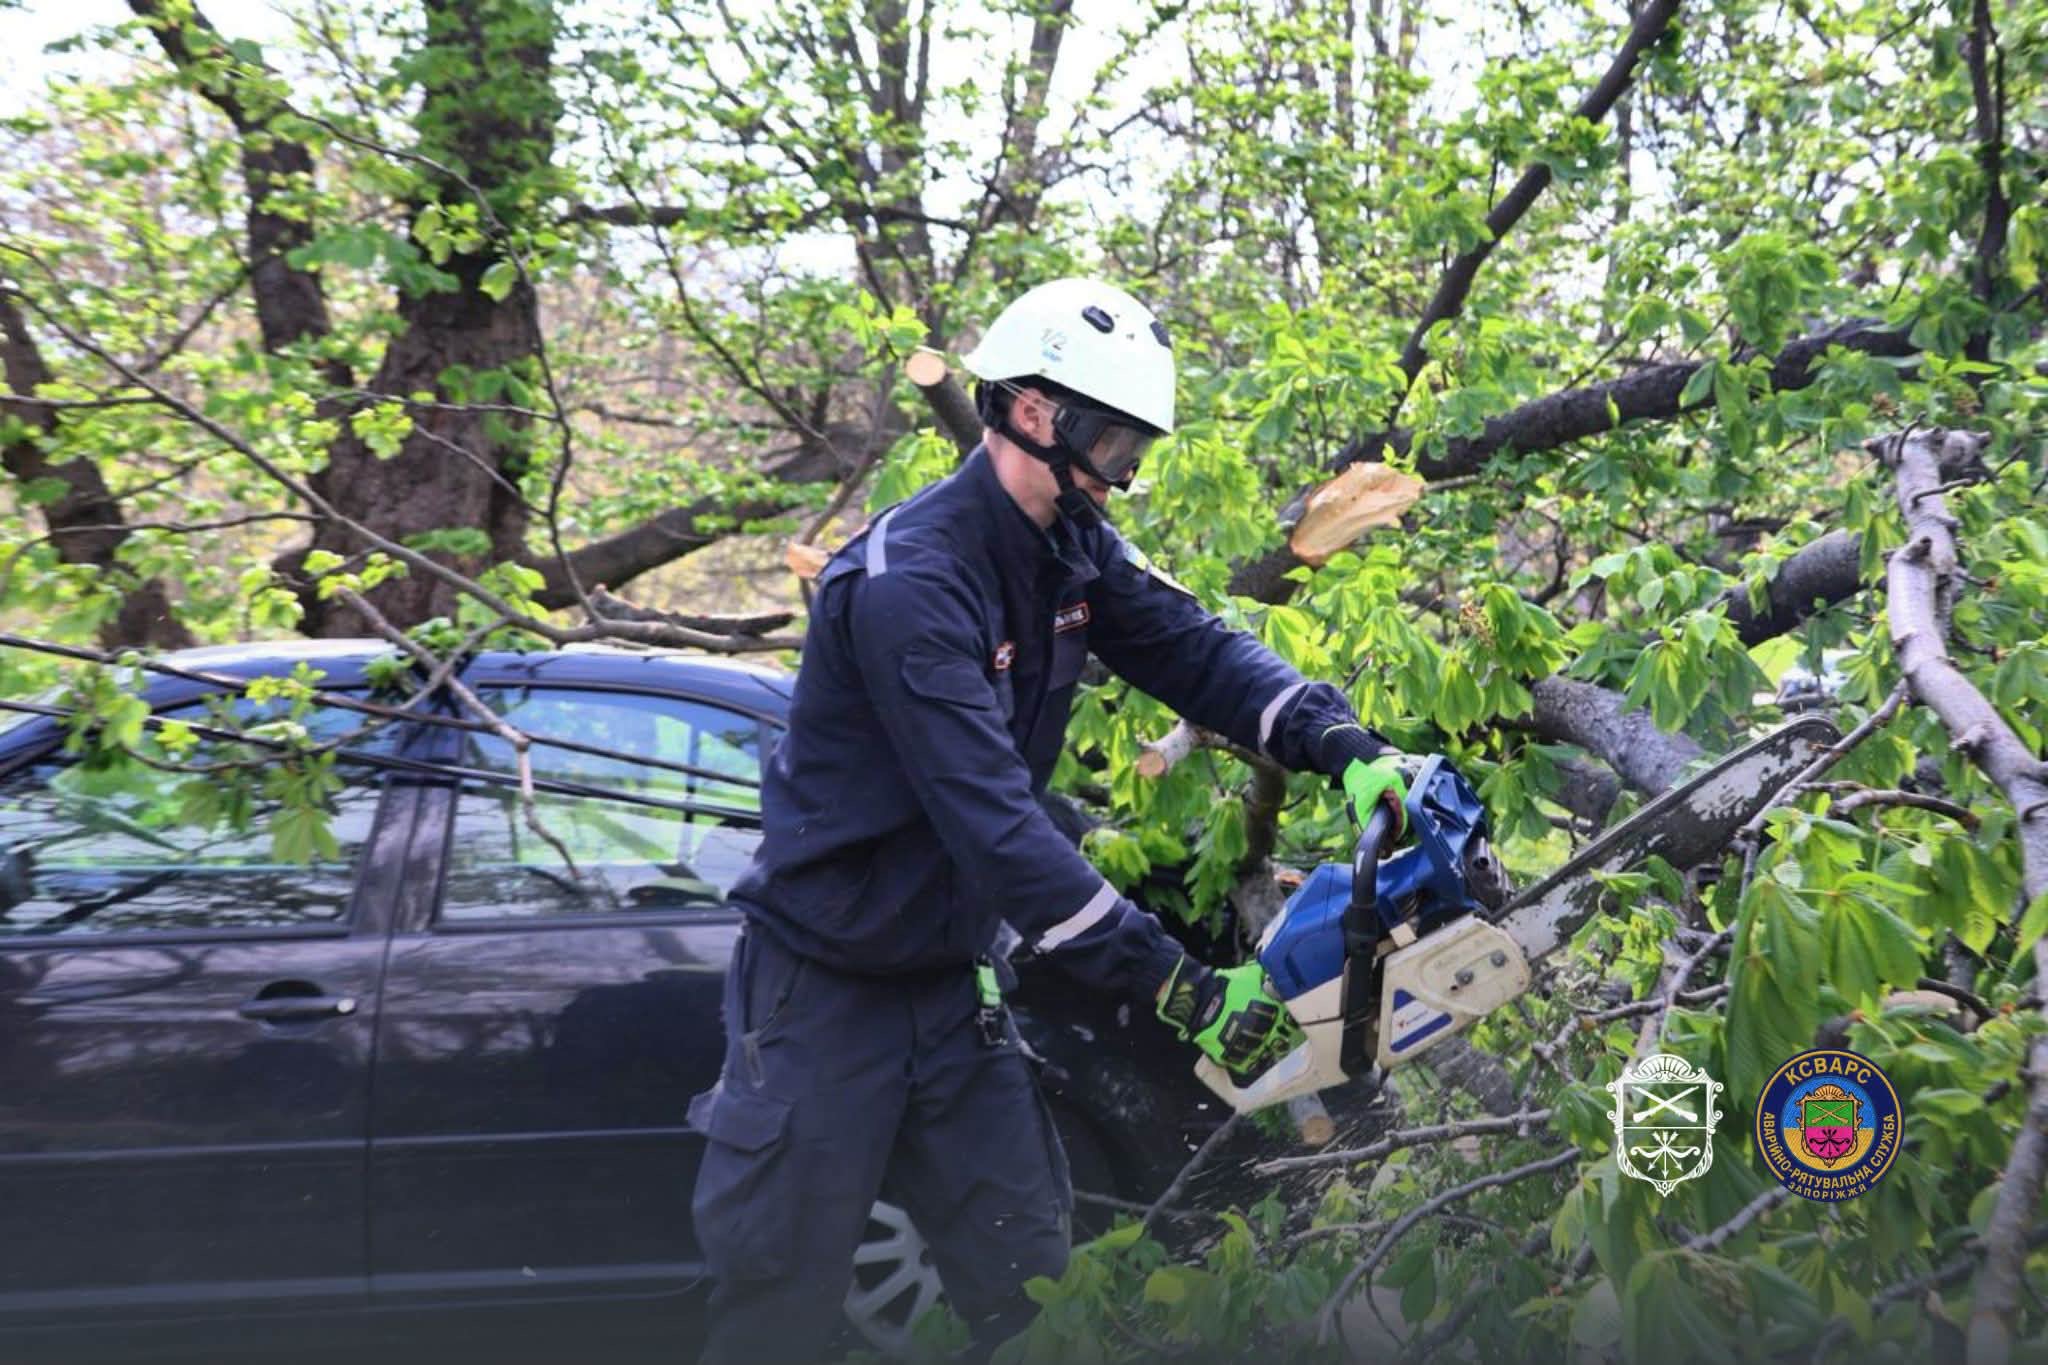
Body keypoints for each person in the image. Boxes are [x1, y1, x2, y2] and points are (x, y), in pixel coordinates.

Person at [689, 278, 1408, 1362]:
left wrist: (1338, 741)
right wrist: (1178, 986)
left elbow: (1191, 646)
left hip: (947, 990)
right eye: (1114, 442)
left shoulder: (1069, 544)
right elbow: (997, 831)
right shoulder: (908, 584)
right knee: (778, 1306)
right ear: (1032, 412)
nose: (1125, 472)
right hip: (820, 998)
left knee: (1034, 1294)